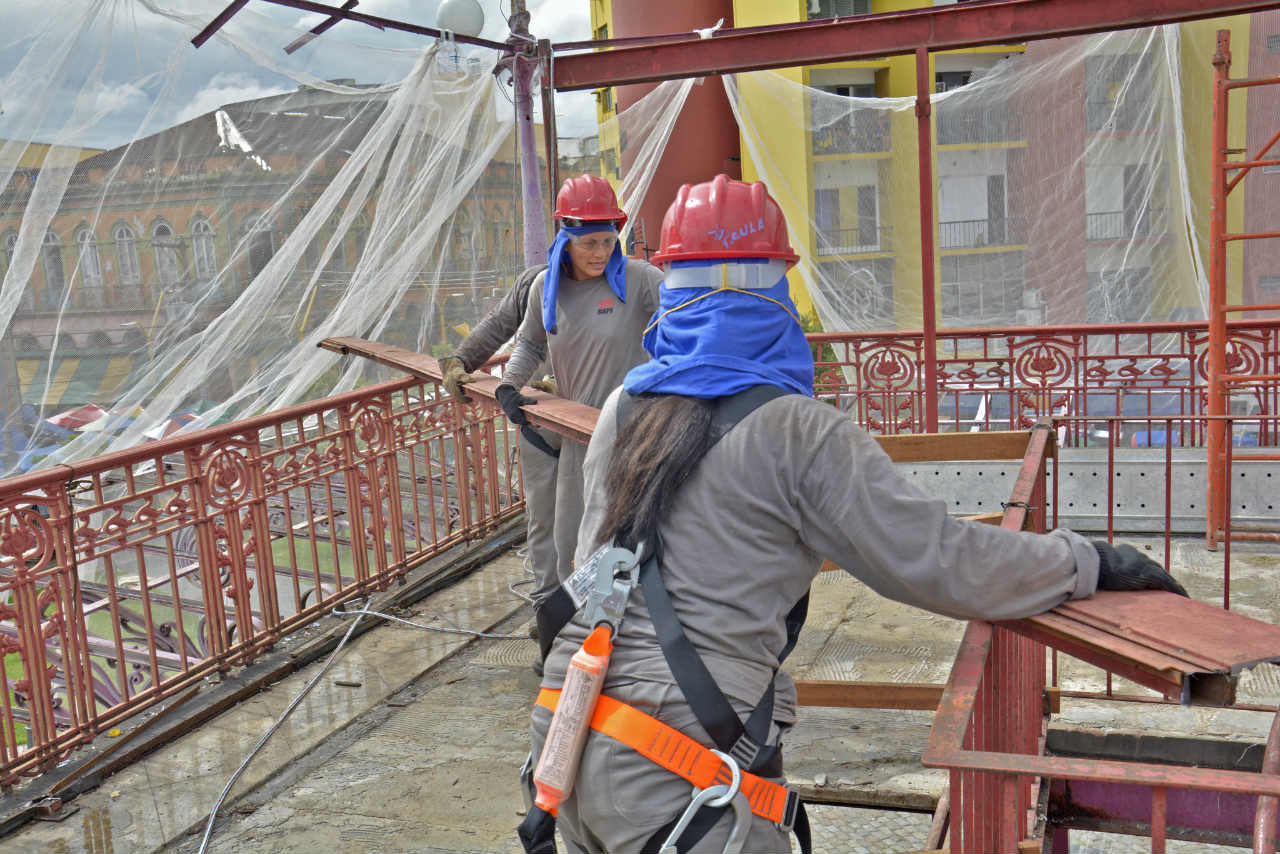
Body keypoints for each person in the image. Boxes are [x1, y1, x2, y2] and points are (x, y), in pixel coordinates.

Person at [520, 175, 1187, 854]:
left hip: (567, 740)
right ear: (776, 291)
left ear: (671, 293)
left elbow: (592, 570)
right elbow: (940, 561)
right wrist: (1086, 562)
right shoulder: (798, 432)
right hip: (678, 770)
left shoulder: (625, 407)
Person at [494, 174, 664, 647]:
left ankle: (624, 636)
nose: (600, 252)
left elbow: (684, 321)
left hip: (633, 434)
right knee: (573, 539)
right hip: (575, 434)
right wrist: (509, 384)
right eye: (589, 243)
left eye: (608, 241)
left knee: (629, 533)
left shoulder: (639, 280)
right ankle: (568, 636)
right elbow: (531, 343)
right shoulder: (545, 288)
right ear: (565, 238)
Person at [437, 264, 559, 635]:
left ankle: (596, 614)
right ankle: (551, 615)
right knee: (545, 522)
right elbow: (499, 326)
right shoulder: (536, 282)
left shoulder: (624, 282)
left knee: (598, 519)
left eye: (603, 241)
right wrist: (460, 362)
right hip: (541, 423)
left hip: (596, 418)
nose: (594, 252)